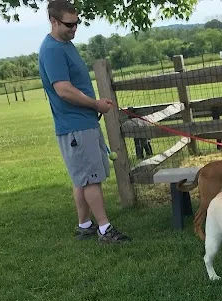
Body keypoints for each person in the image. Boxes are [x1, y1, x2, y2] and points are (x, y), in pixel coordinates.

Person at [38, 0, 130, 243]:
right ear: (53, 21)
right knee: (90, 179)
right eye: (69, 24)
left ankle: (85, 225)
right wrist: (95, 104)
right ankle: (104, 229)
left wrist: (95, 106)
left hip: (83, 122)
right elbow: (64, 90)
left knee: (82, 177)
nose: (74, 28)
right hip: (75, 126)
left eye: (77, 23)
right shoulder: (52, 50)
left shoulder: (66, 45)